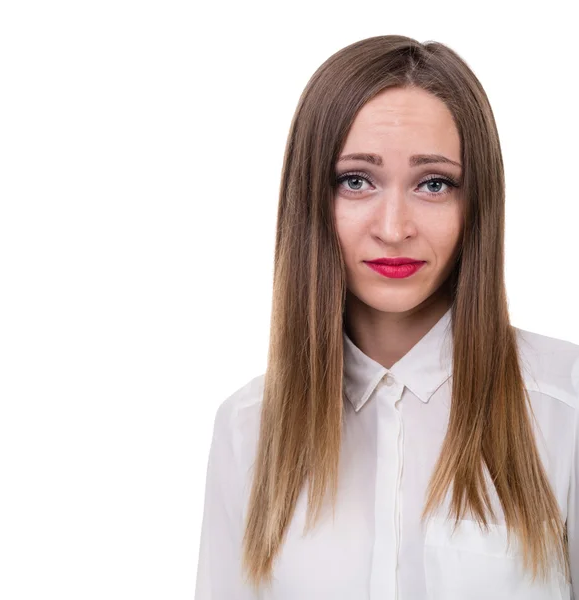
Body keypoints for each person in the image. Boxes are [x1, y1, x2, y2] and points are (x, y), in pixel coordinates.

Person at [193, 35, 578, 599]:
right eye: (357, 181)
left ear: (477, 205)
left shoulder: (565, 405)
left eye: (433, 183)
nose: (394, 227)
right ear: (312, 200)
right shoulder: (246, 429)